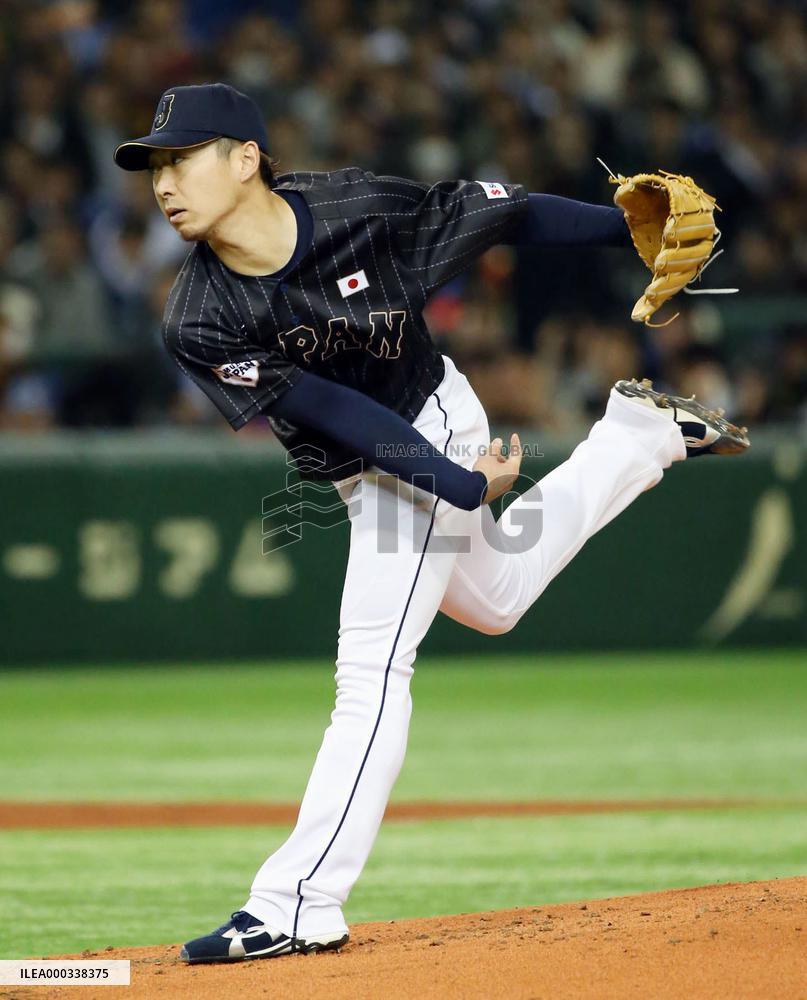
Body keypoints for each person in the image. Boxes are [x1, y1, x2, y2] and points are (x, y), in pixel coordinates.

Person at [114, 83, 749, 964]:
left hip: (433, 415)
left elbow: (504, 213)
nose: (163, 183)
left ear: (246, 158)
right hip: (379, 457)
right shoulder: (199, 316)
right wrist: (453, 485)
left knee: (370, 666)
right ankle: (638, 439)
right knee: (495, 601)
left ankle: (298, 902)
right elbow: (327, 405)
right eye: (154, 166)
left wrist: (622, 231)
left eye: (180, 157)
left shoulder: (356, 207)